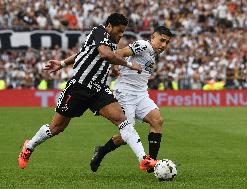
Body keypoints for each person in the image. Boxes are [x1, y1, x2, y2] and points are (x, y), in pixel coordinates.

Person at [18, 13, 157, 171]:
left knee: (122, 119)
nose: (121, 35)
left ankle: (143, 159)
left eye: (123, 31)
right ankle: (29, 146)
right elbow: (105, 54)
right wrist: (130, 64)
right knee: (56, 128)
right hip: (78, 88)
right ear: (109, 26)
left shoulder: (111, 43)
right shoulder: (99, 31)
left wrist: (63, 63)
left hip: (98, 90)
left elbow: (84, 54)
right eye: (119, 30)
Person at [90, 26, 173, 172]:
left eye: (167, 42)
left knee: (157, 120)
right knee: (126, 134)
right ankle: (101, 151)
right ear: (153, 37)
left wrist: (116, 68)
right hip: (126, 93)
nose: (164, 45)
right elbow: (119, 53)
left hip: (141, 94)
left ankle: (151, 164)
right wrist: (115, 67)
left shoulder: (153, 53)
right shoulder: (143, 45)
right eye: (161, 40)